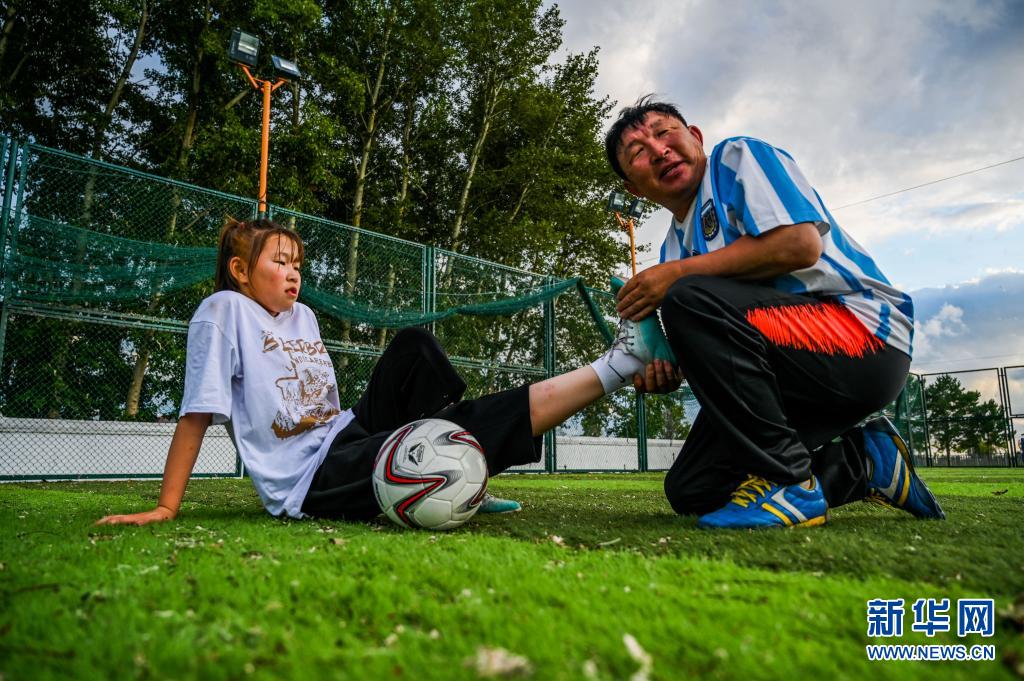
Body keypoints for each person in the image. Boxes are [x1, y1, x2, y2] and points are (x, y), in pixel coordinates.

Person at [96, 218, 667, 526]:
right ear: (241, 271)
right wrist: (167, 506)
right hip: (307, 479)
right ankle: (621, 363)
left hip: (341, 433)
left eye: (298, 264)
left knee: (415, 345)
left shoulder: (303, 316)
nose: (294, 274)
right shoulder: (222, 311)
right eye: (280, 262)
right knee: (463, 423)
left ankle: (460, 467)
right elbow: (198, 413)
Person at [603, 97, 945, 529]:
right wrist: (668, 371)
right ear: (633, 188)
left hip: (864, 339)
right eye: (638, 151)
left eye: (665, 131)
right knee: (695, 488)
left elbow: (799, 245)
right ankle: (867, 462)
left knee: (687, 295)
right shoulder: (674, 248)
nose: (658, 149)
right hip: (790, 373)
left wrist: (677, 278)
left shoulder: (736, 158)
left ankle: (789, 483)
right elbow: (729, 348)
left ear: (696, 137)